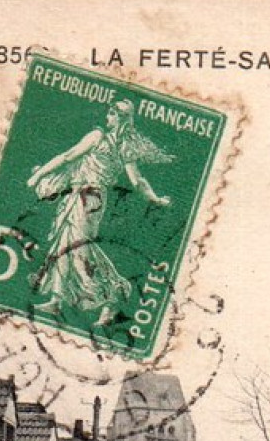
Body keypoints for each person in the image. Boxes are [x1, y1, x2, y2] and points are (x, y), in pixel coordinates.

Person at [26, 99, 173, 331]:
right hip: (85, 196)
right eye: (110, 113)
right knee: (64, 243)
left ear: (120, 118)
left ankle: (113, 295)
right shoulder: (125, 147)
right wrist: (156, 199)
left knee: (79, 247)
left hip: (88, 198)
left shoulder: (98, 137)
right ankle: (56, 299)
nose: (108, 117)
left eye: (113, 114)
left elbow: (67, 156)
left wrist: (38, 176)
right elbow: (138, 181)